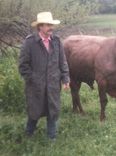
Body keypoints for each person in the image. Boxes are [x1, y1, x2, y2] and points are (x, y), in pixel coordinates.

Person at [18, 12, 70, 141]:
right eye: (48, 25)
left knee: (53, 111)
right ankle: (29, 134)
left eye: (51, 25)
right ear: (40, 26)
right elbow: (23, 66)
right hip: (36, 86)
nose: (50, 27)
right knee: (34, 111)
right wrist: (32, 79)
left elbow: (62, 61)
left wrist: (65, 78)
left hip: (53, 84)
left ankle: (52, 138)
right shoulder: (30, 42)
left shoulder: (57, 41)